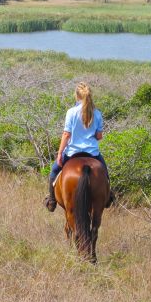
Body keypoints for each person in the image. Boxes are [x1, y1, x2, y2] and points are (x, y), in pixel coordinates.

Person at [43, 82, 114, 212]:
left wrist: (59, 154)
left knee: (53, 172)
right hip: (92, 153)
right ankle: (108, 196)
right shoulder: (97, 113)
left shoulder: (71, 112)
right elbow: (99, 136)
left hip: (72, 153)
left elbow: (66, 134)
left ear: (77, 96)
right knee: (105, 172)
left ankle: (52, 200)